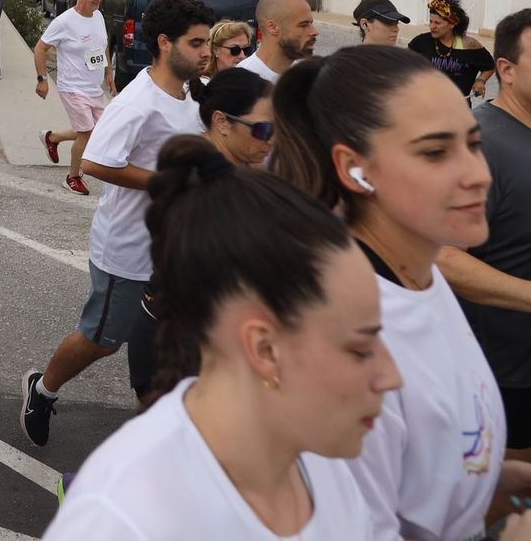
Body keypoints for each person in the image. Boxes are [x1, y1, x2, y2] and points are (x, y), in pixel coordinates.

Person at [272, 44, 531, 539]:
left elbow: (407, 469)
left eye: (474, 144)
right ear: (354, 168)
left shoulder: (422, 277)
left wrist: (481, 485)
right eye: (435, 152)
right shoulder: (335, 337)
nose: (478, 174)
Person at [44, 135, 402, 538]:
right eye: (359, 348)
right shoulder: (120, 520)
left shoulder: (329, 463)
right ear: (264, 349)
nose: (393, 377)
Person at [21, 0, 216, 444]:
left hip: (174, 249)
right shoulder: (138, 103)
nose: (206, 51)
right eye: (197, 42)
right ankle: (43, 390)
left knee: (174, 342)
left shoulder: (190, 90)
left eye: (207, 42)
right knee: (103, 339)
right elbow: (94, 163)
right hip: (127, 250)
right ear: (166, 43)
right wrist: (168, 183)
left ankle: (161, 427)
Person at [438, 8, 531, 474]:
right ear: (507, 71)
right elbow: (441, 257)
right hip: (503, 377)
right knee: (514, 512)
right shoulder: (480, 146)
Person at [35, 0, 112, 194]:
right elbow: (40, 49)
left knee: (98, 130)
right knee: (86, 133)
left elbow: (103, 46)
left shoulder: (98, 17)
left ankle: (52, 137)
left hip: (94, 87)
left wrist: (109, 73)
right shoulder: (64, 22)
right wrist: (42, 79)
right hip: (72, 87)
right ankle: (72, 177)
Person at [408, 0, 495, 99]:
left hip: (458, 108)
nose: (432, 26)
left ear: (452, 24)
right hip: (426, 106)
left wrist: (480, 81)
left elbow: (490, 66)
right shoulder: (421, 41)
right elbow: (402, 63)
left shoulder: (469, 45)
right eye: (431, 21)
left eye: (437, 23)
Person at [197, 67, 274, 166]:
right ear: (221, 122)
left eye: (278, 129)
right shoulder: (192, 177)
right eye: (263, 130)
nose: (272, 141)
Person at [239, 0, 318, 82]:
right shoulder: (242, 80)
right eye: (303, 25)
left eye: (311, 23)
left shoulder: (310, 75)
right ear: (272, 27)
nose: (314, 32)